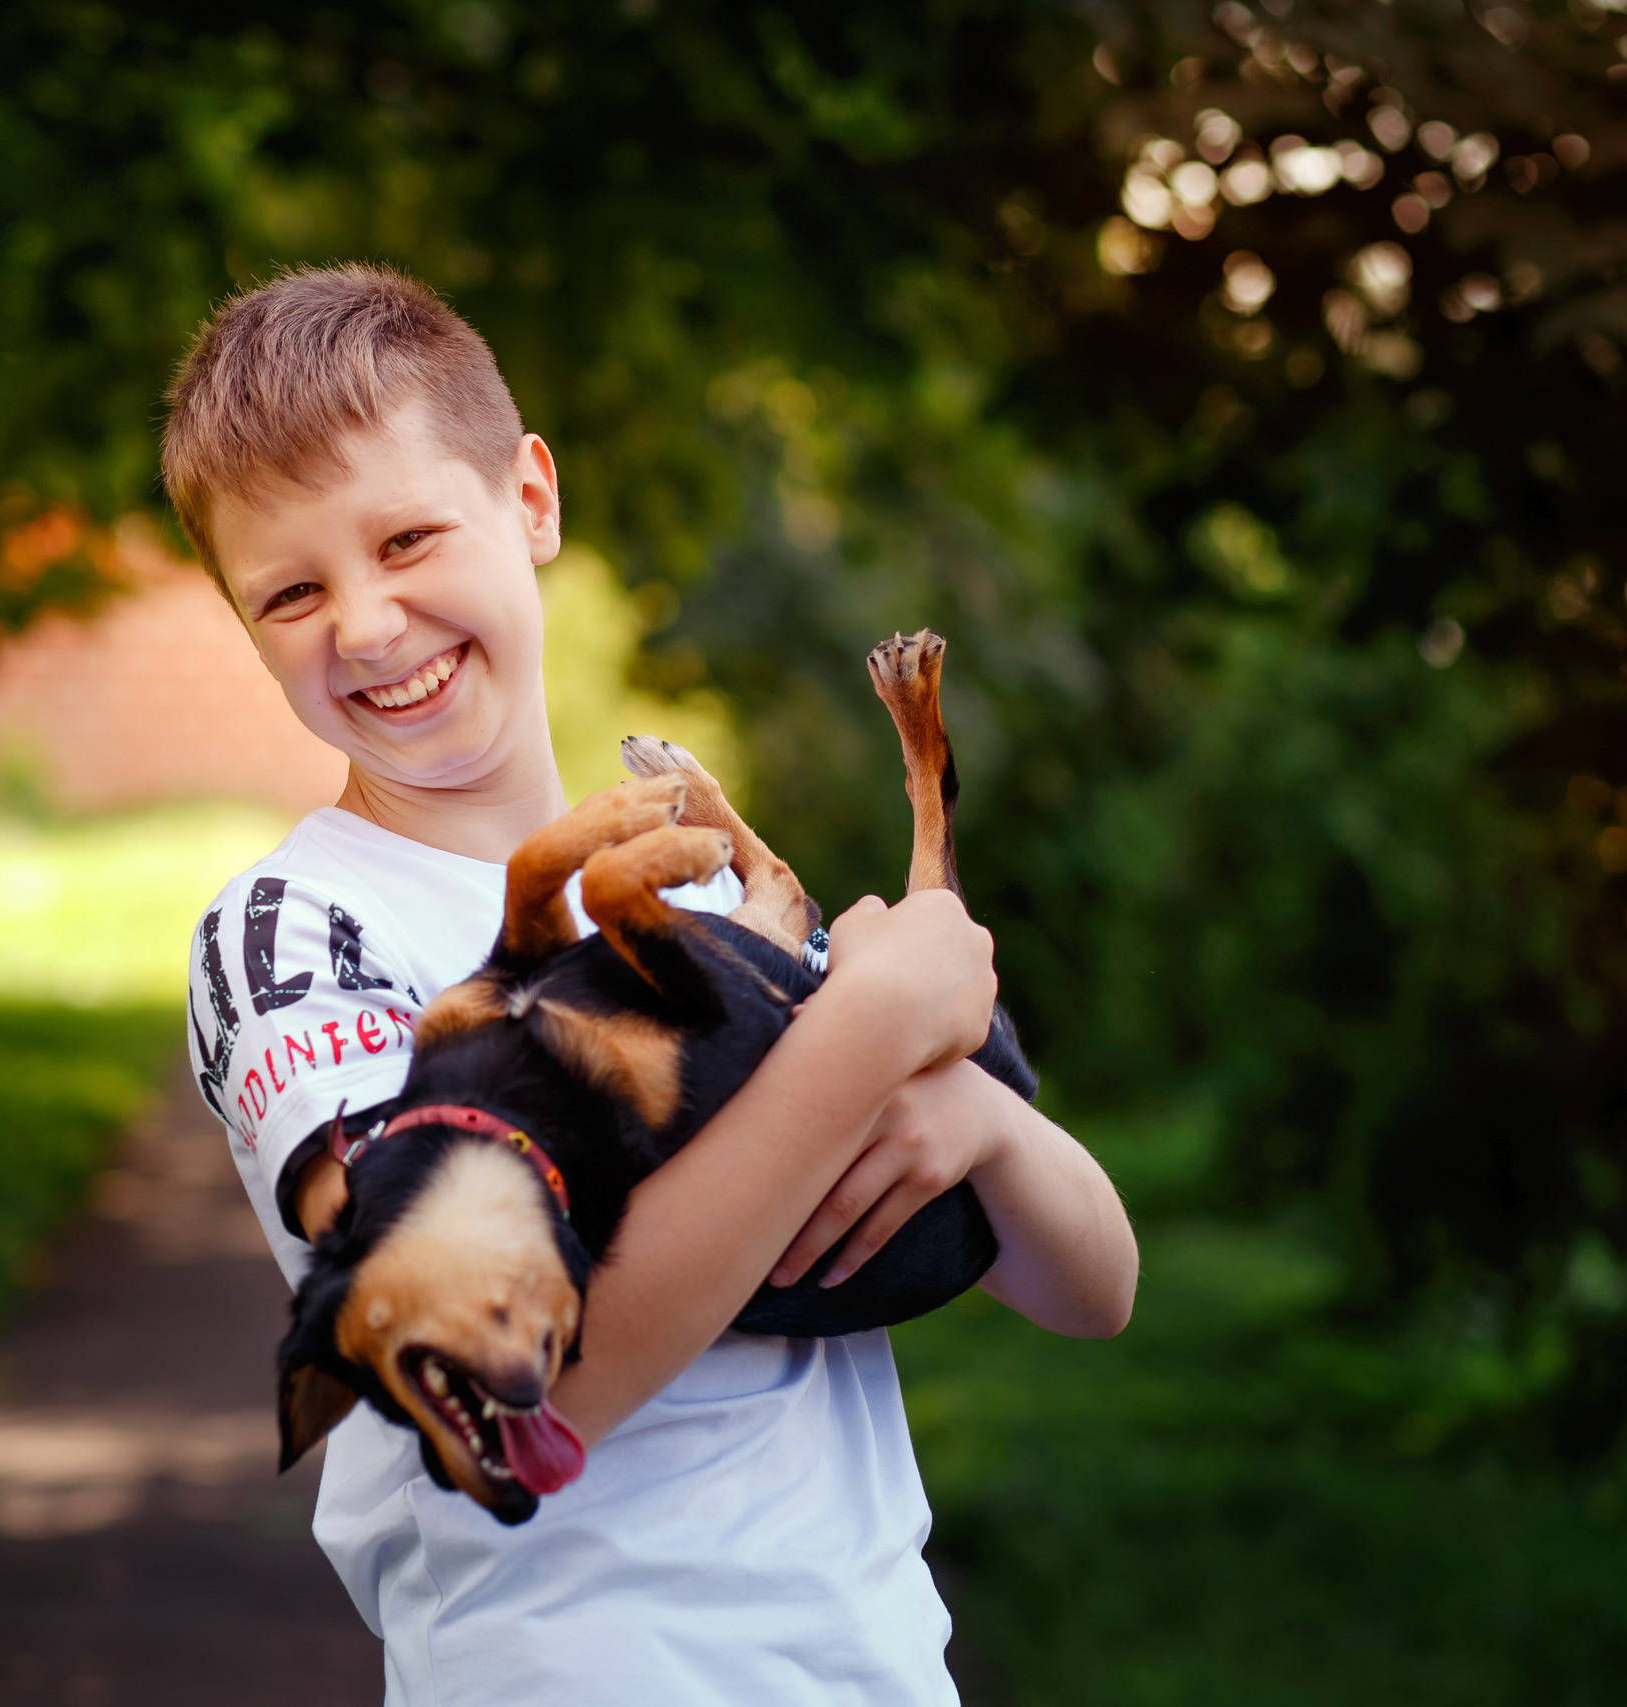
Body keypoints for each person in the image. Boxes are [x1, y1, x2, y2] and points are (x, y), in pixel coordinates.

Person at [169, 264, 1137, 1705]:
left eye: (410, 537)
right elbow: (525, 1383)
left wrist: (986, 1129)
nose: (366, 627)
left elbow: (1094, 1286)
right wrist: (869, 1029)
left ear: (533, 502)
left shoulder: (697, 883)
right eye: (292, 590)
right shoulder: (301, 938)